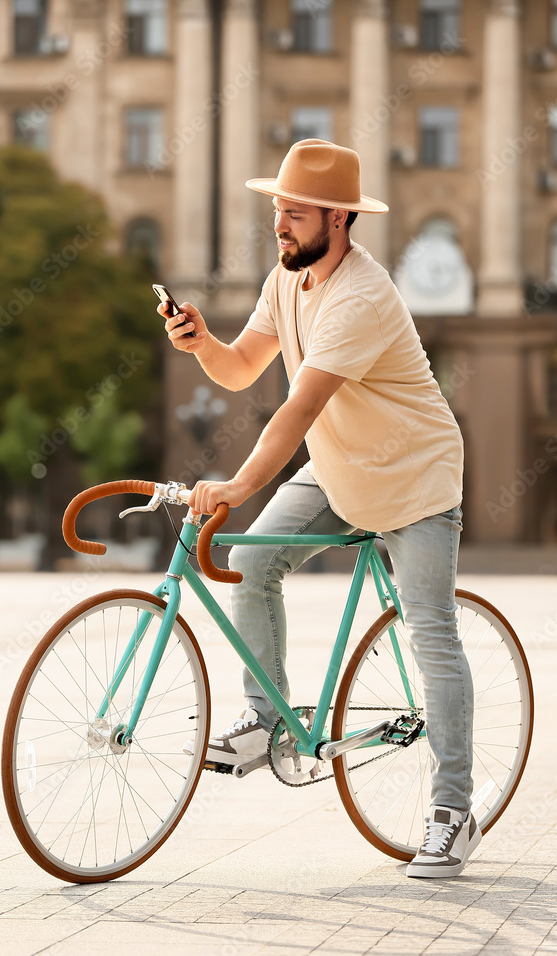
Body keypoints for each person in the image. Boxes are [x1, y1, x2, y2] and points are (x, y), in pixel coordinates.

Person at [159, 139, 480, 878]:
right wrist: (202, 341)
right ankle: (265, 717)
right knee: (251, 558)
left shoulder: (361, 298)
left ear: (337, 219)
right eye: (276, 209)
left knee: (428, 631)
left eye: (294, 213)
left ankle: (453, 810)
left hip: (415, 479)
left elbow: (296, 410)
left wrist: (237, 486)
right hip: (339, 473)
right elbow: (243, 369)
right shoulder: (289, 278)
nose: (280, 223)